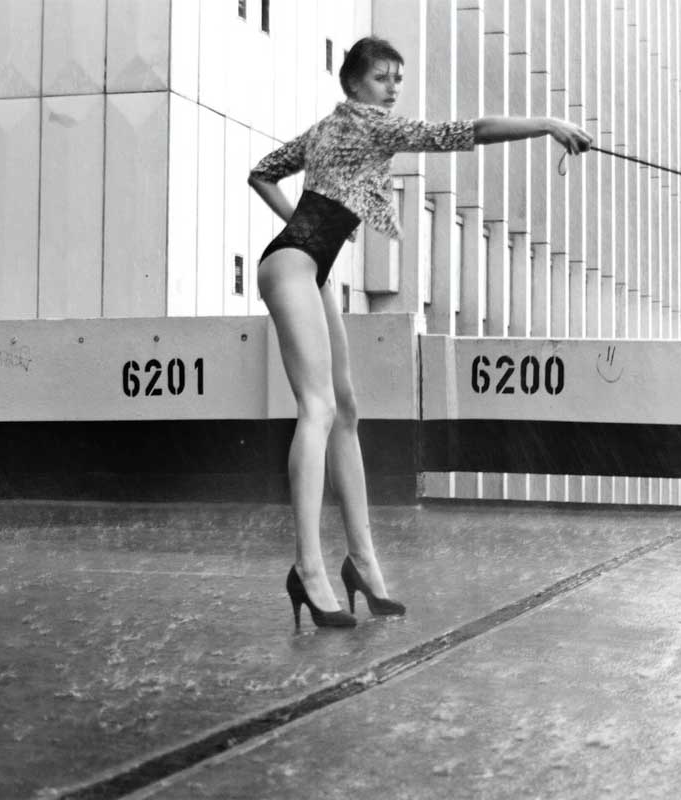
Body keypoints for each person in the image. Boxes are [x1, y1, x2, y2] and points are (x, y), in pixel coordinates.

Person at [248, 36, 593, 629]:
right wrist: (547, 124)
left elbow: (261, 175)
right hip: (294, 266)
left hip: (305, 263)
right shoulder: (372, 126)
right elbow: (465, 132)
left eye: (397, 79)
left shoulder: (325, 129)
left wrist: (306, 231)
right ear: (353, 84)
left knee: (346, 410)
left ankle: (362, 562)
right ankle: (307, 567)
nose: (392, 89)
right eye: (381, 78)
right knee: (318, 408)